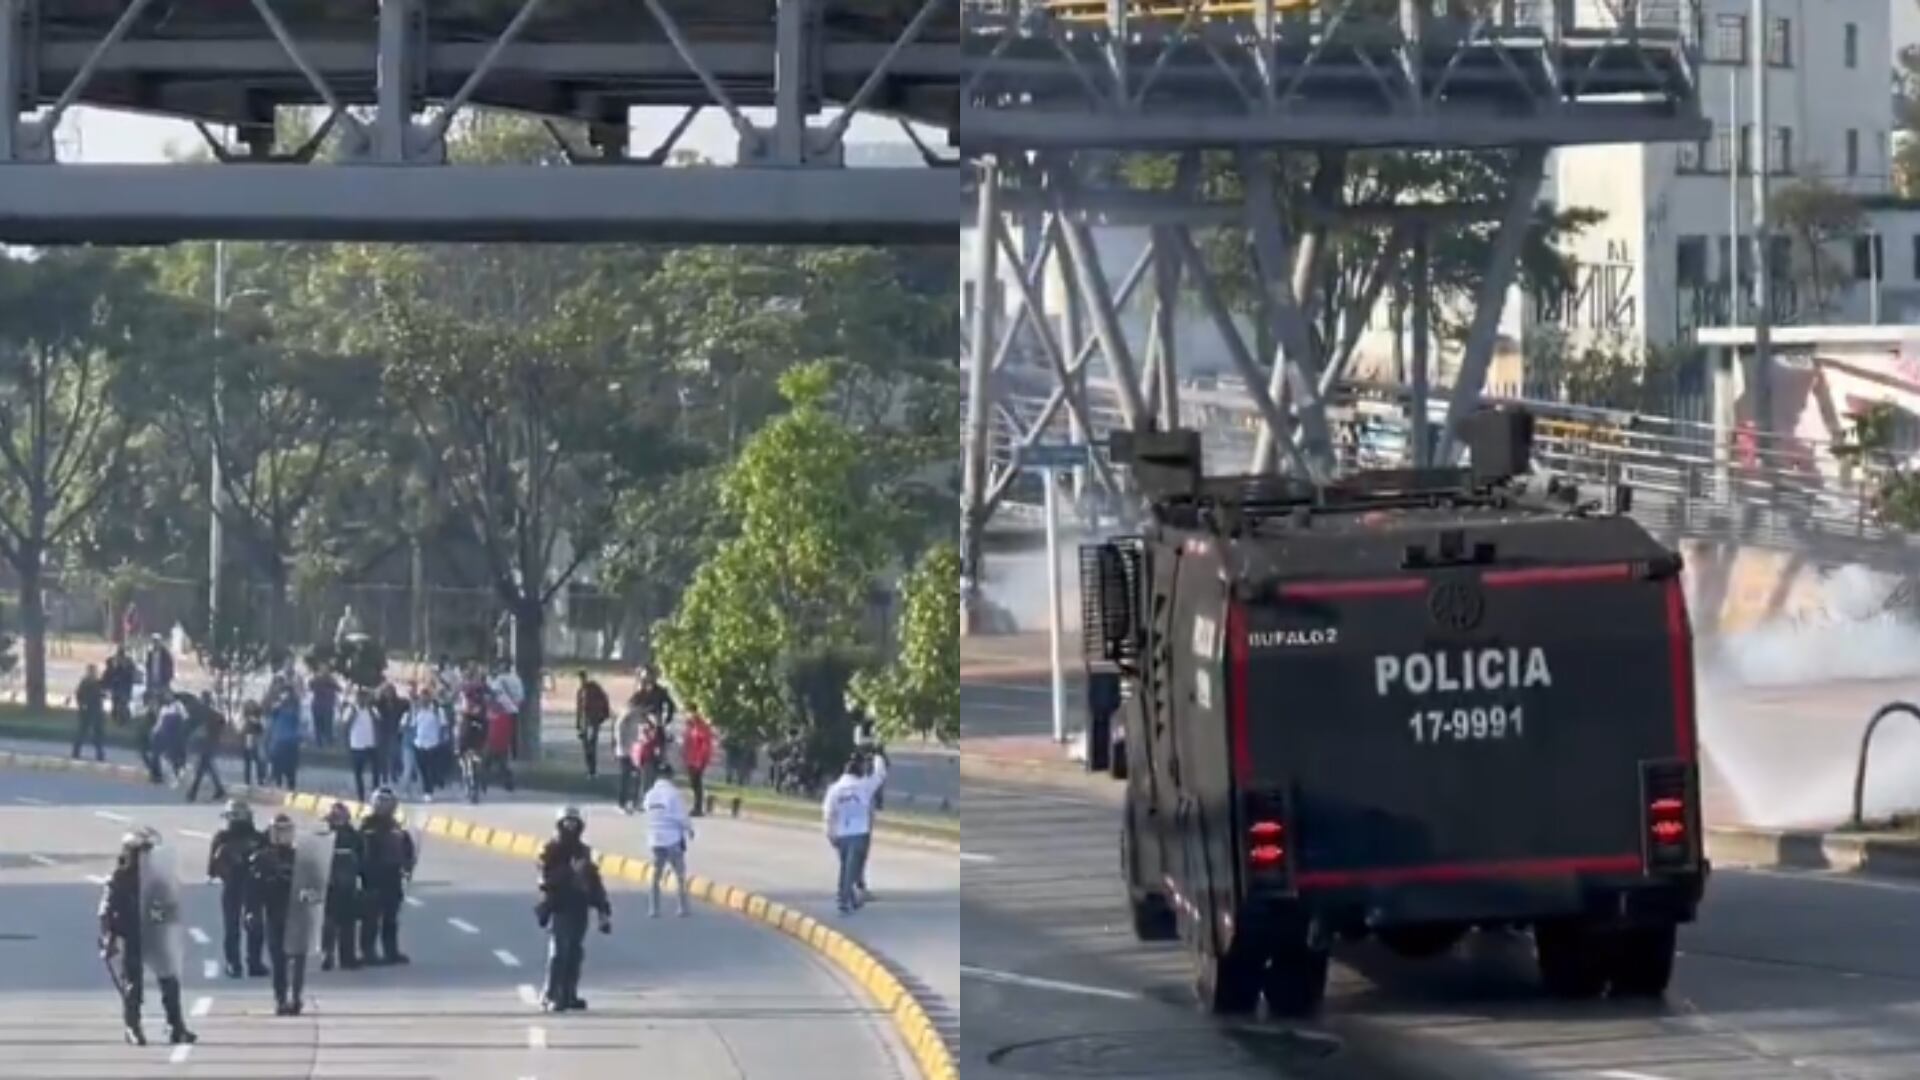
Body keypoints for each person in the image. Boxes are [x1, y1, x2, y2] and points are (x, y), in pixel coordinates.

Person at [98, 826, 196, 1046]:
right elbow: (106, 910)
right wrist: (109, 938)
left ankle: (176, 1026)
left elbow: (167, 908)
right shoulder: (119, 878)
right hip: (130, 933)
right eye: (144, 851)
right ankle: (132, 1027)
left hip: (155, 933)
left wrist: (165, 923)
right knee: (133, 984)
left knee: (169, 979)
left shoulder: (158, 881)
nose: (148, 856)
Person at [535, 805, 611, 1012]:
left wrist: (603, 909)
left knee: (575, 953)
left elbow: (594, 882)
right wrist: (569, 873)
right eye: (566, 823)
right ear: (559, 825)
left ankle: (569, 994)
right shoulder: (549, 850)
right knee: (559, 952)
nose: (570, 827)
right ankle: (550, 995)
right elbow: (544, 880)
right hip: (558, 906)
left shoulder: (583, 852)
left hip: (579, 907)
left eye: (574, 823)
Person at [248, 813, 321, 1016]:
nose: (282, 836)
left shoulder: (302, 857)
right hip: (274, 913)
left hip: (298, 913)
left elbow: (316, 884)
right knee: (278, 960)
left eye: (285, 831)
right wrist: (253, 911)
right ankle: (280, 998)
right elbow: (253, 889)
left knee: (298, 959)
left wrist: (314, 902)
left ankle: (296, 997)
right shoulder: (262, 858)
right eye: (277, 831)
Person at [822, 750, 889, 914]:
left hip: (841, 833)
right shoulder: (864, 786)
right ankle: (844, 899)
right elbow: (880, 774)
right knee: (853, 868)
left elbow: (828, 813)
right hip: (860, 833)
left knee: (845, 867)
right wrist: (877, 757)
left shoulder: (835, 789)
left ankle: (847, 897)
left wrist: (829, 833)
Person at [206, 800, 268, 979]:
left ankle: (245, 963)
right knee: (238, 926)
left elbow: (212, 870)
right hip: (235, 884)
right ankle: (241, 963)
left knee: (247, 925)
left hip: (248, 885)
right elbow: (213, 867)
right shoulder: (224, 839)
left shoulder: (257, 838)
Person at [357, 787, 417, 965]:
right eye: (380, 801)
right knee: (371, 917)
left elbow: (407, 848)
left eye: (387, 802)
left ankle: (391, 951)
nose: (384, 806)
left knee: (391, 916)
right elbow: (360, 850)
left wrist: (408, 864)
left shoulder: (397, 827)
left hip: (393, 875)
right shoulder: (367, 826)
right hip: (373, 876)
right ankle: (368, 952)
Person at [642, 765, 693, 917]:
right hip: (672, 839)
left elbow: (647, 812)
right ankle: (682, 907)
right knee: (680, 875)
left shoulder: (650, 794)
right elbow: (681, 816)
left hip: (655, 839)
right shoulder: (673, 794)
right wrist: (689, 829)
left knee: (655, 876)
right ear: (670, 776)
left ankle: (654, 909)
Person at [319, 803, 363, 971]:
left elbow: (362, 855)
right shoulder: (321, 833)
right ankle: (327, 954)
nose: (338, 820)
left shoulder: (353, 835)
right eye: (335, 817)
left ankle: (347, 956)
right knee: (329, 921)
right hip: (328, 882)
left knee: (347, 921)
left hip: (347, 882)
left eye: (341, 817)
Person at [183, 692, 228, 803]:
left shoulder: (201, 712)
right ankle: (219, 789)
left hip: (204, 744)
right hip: (209, 744)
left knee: (201, 769)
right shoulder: (212, 713)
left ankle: (192, 793)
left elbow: (189, 724)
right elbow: (222, 722)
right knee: (206, 767)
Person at [343, 689, 380, 802]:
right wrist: (353, 715)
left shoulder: (372, 710)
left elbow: (378, 722)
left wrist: (372, 712)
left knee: (376, 771)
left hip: (371, 744)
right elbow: (345, 725)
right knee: (358, 772)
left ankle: (375, 794)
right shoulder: (351, 709)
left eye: (365, 698)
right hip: (357, 745)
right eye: (360, 698)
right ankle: (361, 796)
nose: (362, 700)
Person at [409, 691, 446, 802]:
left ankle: (429, 791)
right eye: (422, 699)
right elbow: (413, 726)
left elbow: (444, 725)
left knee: (431, 769)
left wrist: (441, 739)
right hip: (419, 744)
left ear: (430, 699)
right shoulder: (416, 711)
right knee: (423, 769)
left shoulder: (437, 711)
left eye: (426, 698)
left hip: (433, 744)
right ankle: (427, 790)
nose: (423, 701)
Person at [574, 671, 611, 779]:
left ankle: (593, 770)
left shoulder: (594, 688)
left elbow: (604, 699)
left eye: (583, 678)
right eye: (580, 679)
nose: (582, 681)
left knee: (592, 745)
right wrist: (577, 724)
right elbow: (579, 709)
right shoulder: (580, 691)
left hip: (593, 720)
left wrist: (603, 715)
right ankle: (589, 769)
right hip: (584, 722)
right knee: (586, 747)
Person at [265, 684, 303, 788]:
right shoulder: (279, 707)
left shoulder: (293, 706)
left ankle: (285, 787)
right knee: (282, 770)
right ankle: (282, 786)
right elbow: (271, 712)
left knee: (287, 770)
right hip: (283, 741)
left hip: (285, 742)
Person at [680, 707, 714, 817]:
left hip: (697, 759)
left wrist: (700, 760)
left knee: (697, 783)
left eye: (689, 713)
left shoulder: (701, 727)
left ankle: (698, 807)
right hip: (690, 758)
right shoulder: (690, 726)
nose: (687, 715)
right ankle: (696, 806)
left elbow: (705, 745)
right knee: (693, 783)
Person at [613, 699, 644, 814]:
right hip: (626, 752)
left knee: (635, 777)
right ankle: (624, 802)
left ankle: (633, 802)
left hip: (633, 751)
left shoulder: (635, 717)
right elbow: (619, 734)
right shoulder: (626, 717)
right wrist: (623, 746)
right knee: (627, 777)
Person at [73, 664, 106, 761]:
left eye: (94, 671)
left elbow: (99, 695)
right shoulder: (86, 682)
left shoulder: (96, 682)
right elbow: (79, 695)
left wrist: (102, 695)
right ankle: (76, 751)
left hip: (96, 710)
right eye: (92, 671)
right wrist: (82, 705)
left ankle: (99, 753)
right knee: (83, 731)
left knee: (96, 732)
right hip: (88, 710)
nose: (93, 673)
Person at [308, 665, 341, 750]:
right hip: (318, 705)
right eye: (322, 670)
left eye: (326, 670)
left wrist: (330, 682)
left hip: (328, 706)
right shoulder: (316, 679)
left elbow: (339, 688)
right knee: (318, 724)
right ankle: (319, 743)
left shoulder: (332, 680)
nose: (324, 672)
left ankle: (328, 742)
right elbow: (310, 686)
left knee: (328, 725)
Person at [104, 645, 136, 728]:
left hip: (124, 687)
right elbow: (109, 670)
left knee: (123, 705)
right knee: (115, 704)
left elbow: (131, 673)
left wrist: (125, 667)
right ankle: (117, 720)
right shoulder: (113, 661)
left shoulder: (128, 662)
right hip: (116, 687)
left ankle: (123, 721)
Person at [238, 702, 266, 786]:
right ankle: (259, 780)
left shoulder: (248, 721)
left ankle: (248, 781)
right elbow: (261, 730)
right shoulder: (255, 721)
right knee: (257, 760)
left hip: (249, 739)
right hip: (253, 739)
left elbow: (242, 731)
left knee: (249, 761)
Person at [144, 633, 174, 698]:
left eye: (157, 641)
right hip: (153, 681)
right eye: (154, 641)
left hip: (163, 680)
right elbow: (148, 667)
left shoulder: (165, 654)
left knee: (163, 698)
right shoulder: (150, 654)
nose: (155, 643)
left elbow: (170, 667)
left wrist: (168, 677)